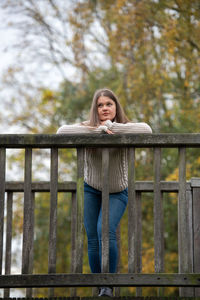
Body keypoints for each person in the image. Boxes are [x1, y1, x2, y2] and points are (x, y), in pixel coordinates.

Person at [57, 88, 152, 297]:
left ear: (115, 106)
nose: (104, 108)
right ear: (95, 109)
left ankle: (109, 284)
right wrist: (97, 130)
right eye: (100, 105)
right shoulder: (89, 127)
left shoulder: (125, 127)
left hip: (118, 190)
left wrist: (112, 127)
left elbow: (147, 130)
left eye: (108, 104)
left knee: (104, 230)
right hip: (91, 187)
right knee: (92, 238)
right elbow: (61, 132)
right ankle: (100, 287)